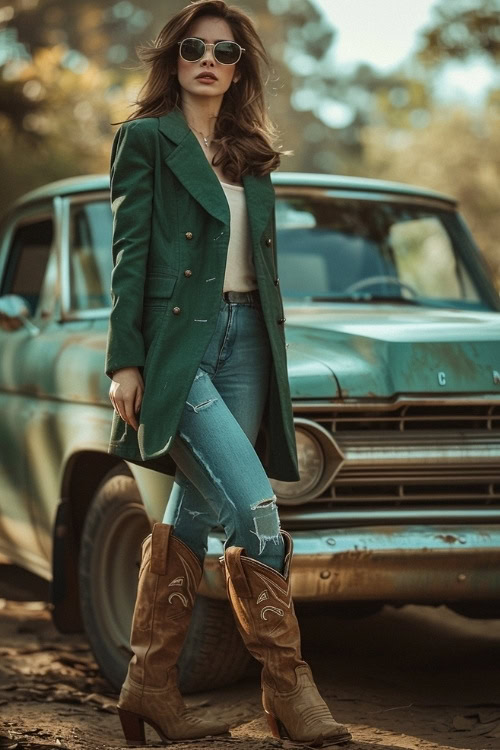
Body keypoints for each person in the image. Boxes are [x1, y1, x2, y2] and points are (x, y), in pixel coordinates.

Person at [105, 0, 352, 746]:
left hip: (248, 343)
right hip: (182, 349)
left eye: (226, 50)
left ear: (241, 66)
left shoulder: (251, 152)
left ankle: (149, 685)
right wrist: (126, 360)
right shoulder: (145, 140)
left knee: (196, 513)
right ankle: (290, 688)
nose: (208, 60)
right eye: (193, 47)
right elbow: (130, 258)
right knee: (256, 512)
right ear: (172, 60)